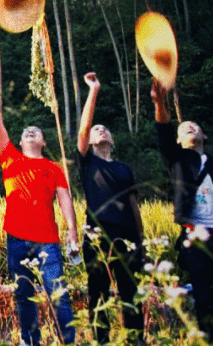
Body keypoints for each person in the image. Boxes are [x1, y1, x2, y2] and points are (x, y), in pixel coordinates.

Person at [0, 70, 77, 345]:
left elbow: (65, 199)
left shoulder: (53, 168)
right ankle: (30, 341)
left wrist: (73, 232)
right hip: (17, 238)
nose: (30, 132)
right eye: (26, 132)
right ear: (19, 142)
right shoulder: (10, 159)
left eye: (36, 132)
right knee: (24, 294)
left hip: (48, 241)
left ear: (43, 142)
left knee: (59, 294)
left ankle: (69, 340)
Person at [77, 72, 144, 345]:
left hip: (127, 235)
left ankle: (136, 339)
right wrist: (94, 90)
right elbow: (83, 129)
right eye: (96, 130)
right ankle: (102, 340)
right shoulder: (87, 163)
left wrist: (142, 241)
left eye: (105, 129)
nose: (100, 130)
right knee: (99, 292)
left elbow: (134, 205)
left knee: (131, 291)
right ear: (90, 141)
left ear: (112, 140)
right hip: (97, 233)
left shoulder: (123, 168)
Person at [151, 79, 213, 339]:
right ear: (178, 140)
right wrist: (159, 101)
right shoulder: (177, 159)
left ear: (203, 136)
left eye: (194, 126)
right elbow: (163, 129)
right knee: (203, 293)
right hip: (194, 235)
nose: (189, 128)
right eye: (184, 127)